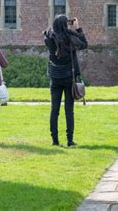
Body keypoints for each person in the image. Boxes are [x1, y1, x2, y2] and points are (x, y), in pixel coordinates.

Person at [44, 15, 88, 147]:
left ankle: (55, 140)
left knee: (54, 109)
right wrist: (78, 28)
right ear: (65, 24)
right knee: (69, 110)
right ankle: (70, 140)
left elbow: (49, 33)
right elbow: (84, 44)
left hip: (55, 77)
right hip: (69, 77)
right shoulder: (70, 38)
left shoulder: (49, 39)